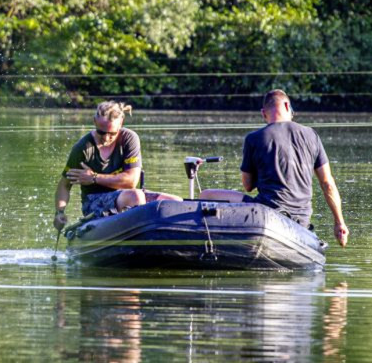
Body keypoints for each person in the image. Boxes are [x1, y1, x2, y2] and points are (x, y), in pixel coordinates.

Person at [199, 89, 349, 247]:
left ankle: (213, 243)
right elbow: (328, 184)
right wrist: (340, 223)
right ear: (287, 106)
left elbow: (248, 185)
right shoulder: (312, 135)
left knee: (206, 195)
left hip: (267, 215)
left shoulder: (254, 138)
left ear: (263, 113)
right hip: (302, 220)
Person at [54, 101, 181, 231]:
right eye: (101, 132)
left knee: (175, 202)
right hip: (94, 201)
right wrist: (60, 212)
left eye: (112, 133)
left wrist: (94, 178)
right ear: (95, 121)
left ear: (121, 123)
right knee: (135, 196)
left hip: (128, 195)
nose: (106, 138)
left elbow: (131, 181)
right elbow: (65, 185)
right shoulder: (82, 148)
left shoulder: (129, 139)